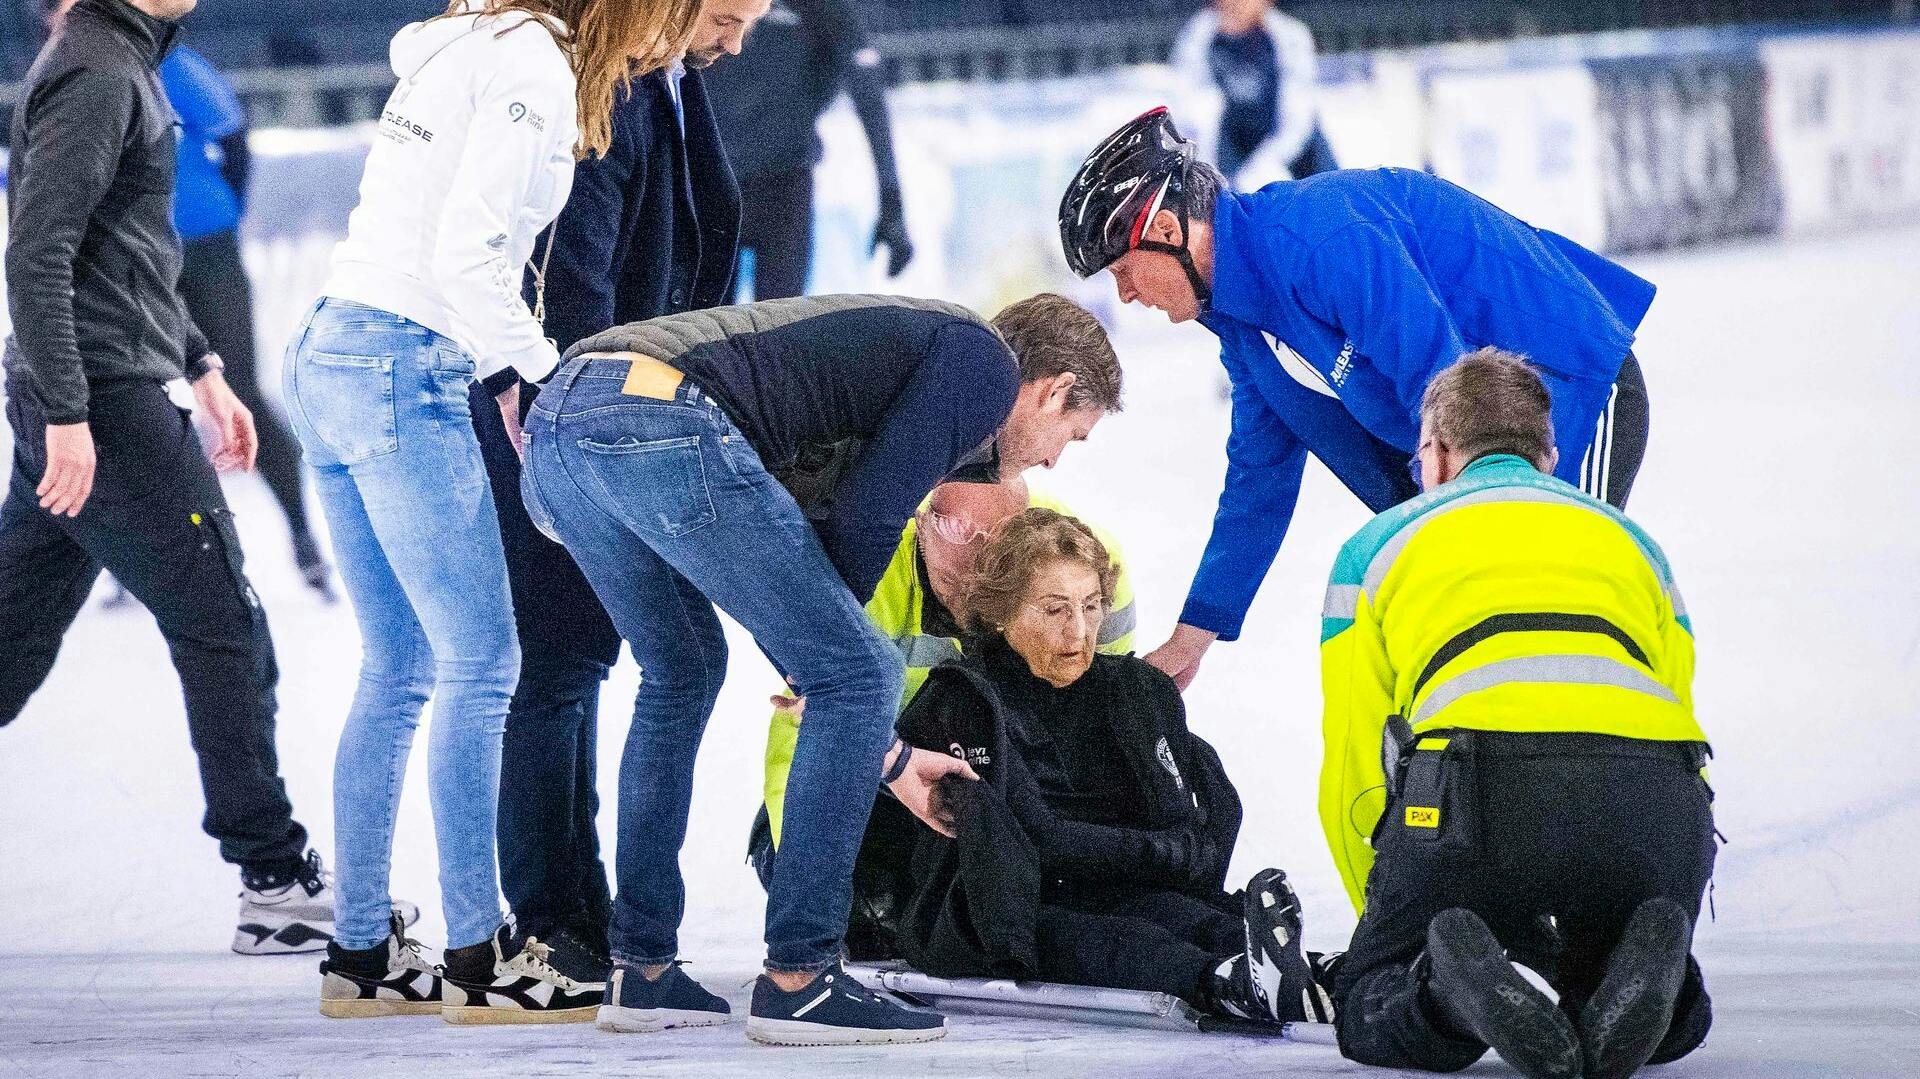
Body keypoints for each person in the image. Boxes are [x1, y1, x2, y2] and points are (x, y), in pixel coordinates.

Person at [520, 291, 1122, 1045]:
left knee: (683, 667)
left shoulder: (893, 386)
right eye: (1071, 434)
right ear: (1055, 390)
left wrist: (869, 731)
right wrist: (826, 665)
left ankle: (640, 969)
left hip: (562, 428)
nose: (1054, 460)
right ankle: (801, 977)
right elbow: (869, 515)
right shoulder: (984, 365)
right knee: (863, 671)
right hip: (658, 417)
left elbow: (813, 527)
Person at [286, 0, 701, 1023]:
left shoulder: (461, 42)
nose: (672, 34)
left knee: (399, 667)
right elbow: (471, 259)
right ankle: (480, 957)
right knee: (482, 666)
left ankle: (362, 950)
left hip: (328, 348)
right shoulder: (535, 67)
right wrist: (539, 374)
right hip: (403, 362)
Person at [1059, 107, 1657, 691]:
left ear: (1167, 231)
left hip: (1566, 394)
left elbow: (1447, 384)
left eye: (1123, 271)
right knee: (1498, 633)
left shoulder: (1319, 240)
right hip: (1464, 443)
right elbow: (1258, 479)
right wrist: (1193, 638)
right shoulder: (1240, 322)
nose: (1127, 295)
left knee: (1559, 619)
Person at [1, 0, 360, 958]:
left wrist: (200, 363)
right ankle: (275, 880)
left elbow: (127, 250)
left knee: (11, 636)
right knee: (223, 623)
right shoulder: (96, 69)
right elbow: (37, 251)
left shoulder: (128, 58)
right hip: (101, 404)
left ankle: (271, 873)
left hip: (103, 386)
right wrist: (69, 412)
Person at [1319, 349, 1712, 1079]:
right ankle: (1664, 977)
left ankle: (1446, 994)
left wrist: (1393, 927)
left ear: (1437, 453)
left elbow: (1356, 759)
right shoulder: (1636, 544)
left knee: (1368, 1001)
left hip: (1479, 792)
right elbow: (1679, 706)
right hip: (1656, 798)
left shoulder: (1374, 548)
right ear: (1549, 456)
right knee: (1605, 966)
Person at [475, 0, 764, 980]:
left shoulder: (667, 83)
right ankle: (548, 916)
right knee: (555, 663)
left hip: (614, 404)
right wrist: (586, 420)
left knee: (580, 658)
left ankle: (579, 903)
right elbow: (570, 286)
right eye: (726, 17)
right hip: (562, 410)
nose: (737, 41)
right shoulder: (608, 94)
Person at [887, 508, 1335, 1025]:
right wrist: (1166, 852)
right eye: (1055, 610)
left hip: (1120, 887)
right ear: (1000, 612)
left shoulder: (1134, 691)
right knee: (1132, 940)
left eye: (1091, 605)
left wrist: (1171, 854)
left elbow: (1190, 827)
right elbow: (1039, 843)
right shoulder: (963, 702)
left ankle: (1330, 974)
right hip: (1003, 908)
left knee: (1199, 921)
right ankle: (1231, 986)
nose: (1079, 631)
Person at [704, 0, 912, 300]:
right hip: (715, 186)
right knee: (707, 320)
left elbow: (869, 97)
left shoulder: (826, 10)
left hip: (780, 188)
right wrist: (892, 203)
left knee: (778, 321)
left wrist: (893, 204)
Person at [1172, 0, 1338, 187]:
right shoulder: (1198, 36)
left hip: (1282, 134)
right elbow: (1192, 115)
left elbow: (1297, 118)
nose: (1234, 4)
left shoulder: (1291, 36)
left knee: (1325, 176)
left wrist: (1266, 164)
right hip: (1231, 135)